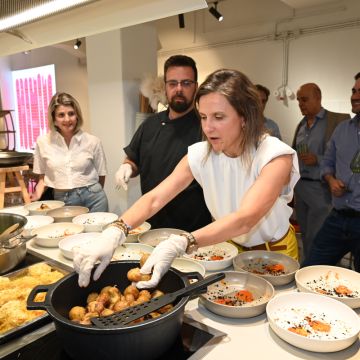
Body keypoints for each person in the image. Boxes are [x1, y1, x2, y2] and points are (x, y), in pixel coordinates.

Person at [74, 69, 300, 288]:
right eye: (203, 117)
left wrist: (183, 241)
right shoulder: (201, 153)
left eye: (219, 117)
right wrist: (115, 231)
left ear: (244, 117)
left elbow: (245, 219)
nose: (208, 127)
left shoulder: (274, 155)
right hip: (228, 246)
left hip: (273, 250)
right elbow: (155, 198)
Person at [115, 55, 212, 232]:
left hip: (193, 230)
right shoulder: (150, 124)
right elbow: (133, 158)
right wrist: (127, 167)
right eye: (173, 83)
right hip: (151, 226)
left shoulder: (207, 128)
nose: (179, 89)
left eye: (186, 83)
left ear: (196, 87)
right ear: (165, 87)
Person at [303, 73, 360, 271]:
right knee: (309, 270)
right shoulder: (343, 129)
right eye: (354, 91)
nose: (354, 96)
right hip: (338, 218)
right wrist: (330, 179)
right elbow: (328, 161)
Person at [292, 83, 349, 260]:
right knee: (305, 237)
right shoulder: (301, 125)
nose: (301, 103)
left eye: (305, 99)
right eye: (299, 100)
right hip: (301, 188)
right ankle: (308, 272)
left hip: (322, 188)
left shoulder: (338, 121)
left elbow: (345, 155)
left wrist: (317, 158)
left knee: (320, 239)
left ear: (318, 97)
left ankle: (321, 273)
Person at [31, 92, 109, 212]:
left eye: (71, 114)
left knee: (98, 231)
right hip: (63, 200)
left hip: (95, 199)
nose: (67, 119)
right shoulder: (43, 142)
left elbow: (101, 175)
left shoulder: (93, 141)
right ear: (54, 118)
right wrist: (37, 192)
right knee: (69, 231)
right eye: (61, 115)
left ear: (77, 116)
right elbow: (42, 176)